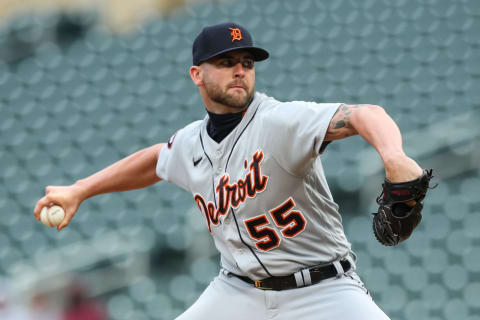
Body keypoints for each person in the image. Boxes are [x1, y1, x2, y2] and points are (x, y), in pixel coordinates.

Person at [35, 22, 425, 319]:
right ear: (197, 75)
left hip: (323, 290)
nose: (240, 70)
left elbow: (365, 115)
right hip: (238, 291)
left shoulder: (280, 122)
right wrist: (81, 189)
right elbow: (155, 161)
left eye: (247, 62)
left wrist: (393, 157)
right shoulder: (190, 143)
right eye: (226, 62)